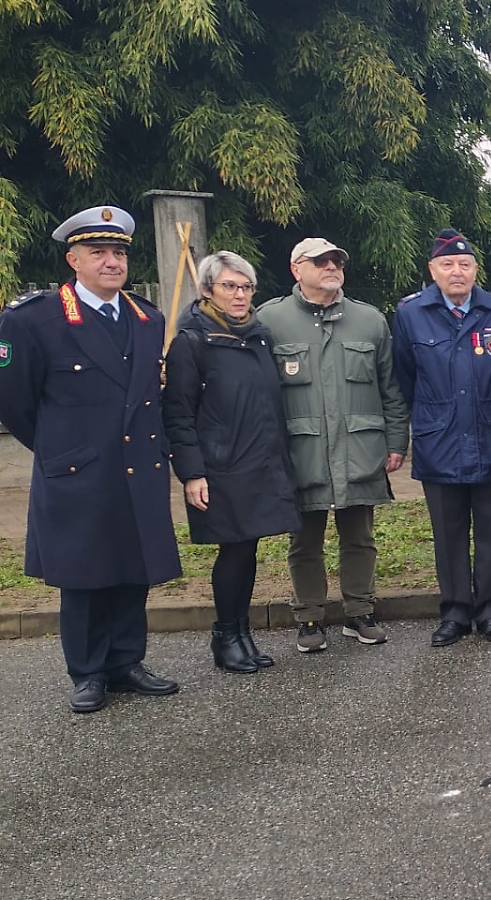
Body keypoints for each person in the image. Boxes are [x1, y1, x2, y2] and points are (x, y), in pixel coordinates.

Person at [0, 206, 181, 713]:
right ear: (73, 260)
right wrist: (60, 447)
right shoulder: (33, 319)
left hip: (137, 465)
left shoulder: (147, 318)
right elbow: (13, 401)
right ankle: (88, 672)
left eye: (118, 252)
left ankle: (126, 661)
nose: (111, 261)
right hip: (77, 469)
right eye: (97, 252)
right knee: (82, 573)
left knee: (133, 565)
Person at [256, 237, 410, 653]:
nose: (331, 267)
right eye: (320, 261)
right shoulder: (270, 320)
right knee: (304, 540)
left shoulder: (369, 319)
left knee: (359, 537)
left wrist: (397, 441)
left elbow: (390, 389)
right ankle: (309, 617)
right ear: (296, 269)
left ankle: (360, 612)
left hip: (359, 449)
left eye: (336, 261)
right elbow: (259, 395)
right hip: (300, 452)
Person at [163, 251, 301, 672]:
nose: (240, 295)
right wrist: (192, 472)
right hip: (220, 467)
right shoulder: (191, 341)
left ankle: (242, 634)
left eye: (246, 287)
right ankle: (225, 637)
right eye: (229, 286)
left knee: (248, 549)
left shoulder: (258, 336)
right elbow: (178, 414)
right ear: (208, 290)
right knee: (234, 551)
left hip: (260, 461)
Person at [393, 229, 491, 645]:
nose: (457, 272)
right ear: (432, 270)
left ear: (475, 270)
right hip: (440, 441)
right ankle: (454, 613)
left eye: (465, 264)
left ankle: (490, 612)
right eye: (447, 264)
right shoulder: (410, 313)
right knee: (448, 536)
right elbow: (404, 378)